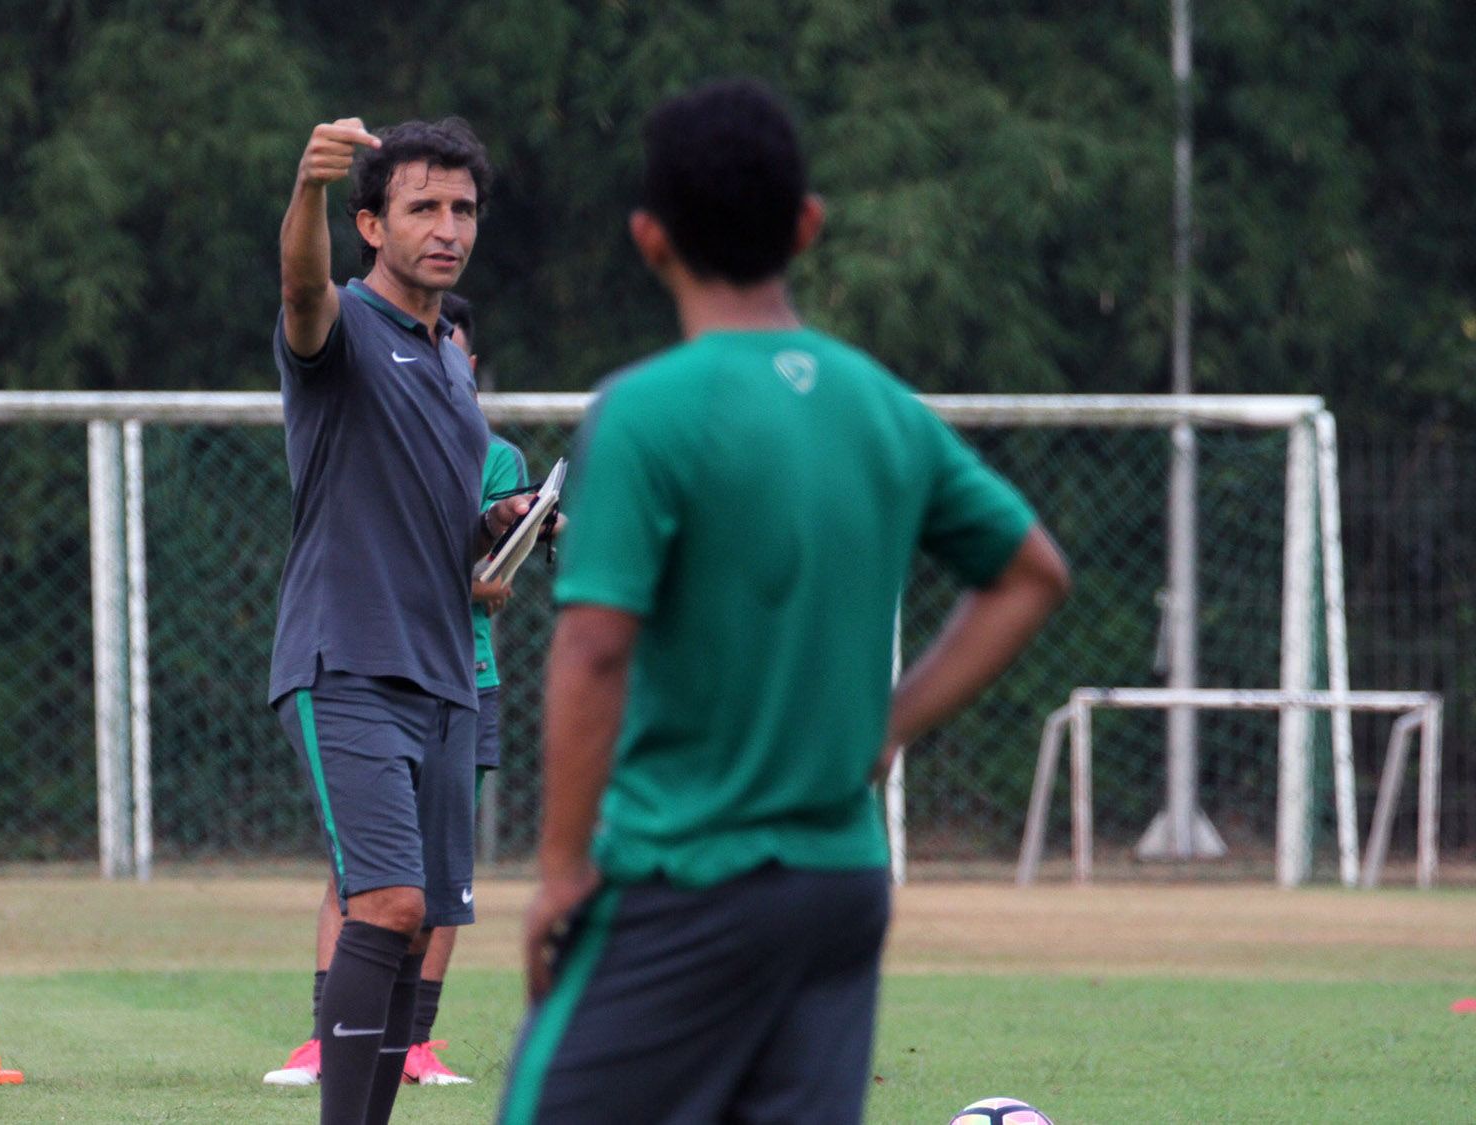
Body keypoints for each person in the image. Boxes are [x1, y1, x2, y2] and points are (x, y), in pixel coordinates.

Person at [497, 79, 1071, 1125]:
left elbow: (590, 652)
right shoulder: (877, 405)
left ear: (647, 239)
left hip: (683, 877)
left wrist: (559, 871)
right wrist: (887, 726)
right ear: (807, 226)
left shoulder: (643, 411)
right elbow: (1030, 574)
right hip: (840, 885)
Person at [269, 114, 532, 1125]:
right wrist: (307, 192)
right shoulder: (338, 328)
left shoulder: (450, 363)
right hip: (348, 662)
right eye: (422, 207)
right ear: (370, 225)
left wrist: (495, 533)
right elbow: (299, 289)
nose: (447, 227)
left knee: (419, 922)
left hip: (445, 674)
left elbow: (446, 538)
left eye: (462, 208)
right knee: (383, 904)